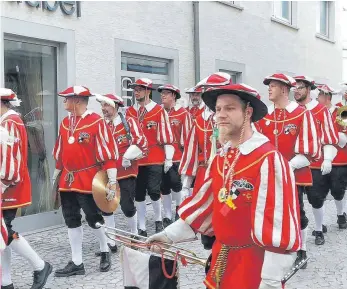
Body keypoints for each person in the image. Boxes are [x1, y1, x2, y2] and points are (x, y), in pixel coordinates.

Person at [147, 77, 301, 289]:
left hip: (255, 268)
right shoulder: (221, 157)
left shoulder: (269, 159)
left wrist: (271, 280)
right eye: (218, 109)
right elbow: (205, 207)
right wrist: (168, 236)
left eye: (229, 108)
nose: (220, 114)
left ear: (247, 113)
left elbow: (279, 225)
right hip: (222, 258)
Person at [255, 73, 321, 268]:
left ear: (284, 89)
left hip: (294, 174)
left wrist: (286, 167)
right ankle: (275, 247)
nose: (269, 89)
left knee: (297, 212)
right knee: (270, 212)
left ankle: (301, 250)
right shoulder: (265, 115)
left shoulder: (302, 113)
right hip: (268, 175)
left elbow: (310, 149)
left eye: (272, 86)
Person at [52, 86, 118, 276]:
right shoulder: (65, 122)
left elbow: (108, 155)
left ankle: (105, 249)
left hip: (89, 179)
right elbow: (60, 151)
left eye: (67, 98)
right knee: (71, 219)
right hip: (68, 179)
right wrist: (56, 175)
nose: (64, 101)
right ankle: (77, 262)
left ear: (78, 101)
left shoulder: (97, 122)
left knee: (93, 218)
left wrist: (111, 182)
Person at [1, 88, 52, 289]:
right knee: (4, 232)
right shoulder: (7, 122)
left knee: (5, 232)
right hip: (8, 185)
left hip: (8, 186)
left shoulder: (9, 123)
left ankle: (40, 266)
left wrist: (3, 183)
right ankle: (6, 282)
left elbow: (9, 160)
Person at [95, 93, 148, 248]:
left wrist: (129, 156)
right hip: (106, 172)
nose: (103, 109)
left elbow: (141, 141)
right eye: (102, 106)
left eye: (106, 105)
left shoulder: (129, 122)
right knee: (106, 205)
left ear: (116, 106)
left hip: (126, 171)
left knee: (126, 205)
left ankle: (134, 232)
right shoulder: (100, 124)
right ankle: (111, 239)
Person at [293, 77, 341, 245]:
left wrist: (327, 159)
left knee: (316, 198)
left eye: (300, 88)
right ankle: (299, 236)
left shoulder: (321, 110)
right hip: (294, 165)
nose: (296, 91)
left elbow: (329, 138)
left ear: (308, 89)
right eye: (295, 88)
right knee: (295, 202)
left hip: (314, 163)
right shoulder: (291, 110)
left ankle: (319, 229)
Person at [126, 78, 174, 236]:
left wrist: (168, 158)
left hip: (154, 157)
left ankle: (158, 220)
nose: (136, 92)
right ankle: (142, 227)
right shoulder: (130, 111)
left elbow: (167, 135)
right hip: (136, 159)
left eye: (139, 89)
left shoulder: (159, 111)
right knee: (138, 193)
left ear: (148, 91)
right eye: (135, 89)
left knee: (154, 191)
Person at [158, 84, 192, 226]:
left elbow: (188, 138)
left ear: (174, 96)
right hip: (160, 157)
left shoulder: (183, 114)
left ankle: (179, 208)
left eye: (166, 93)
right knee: (163, 186)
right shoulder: (158, 112)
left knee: (175, 184)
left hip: (177, 156)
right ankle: (166, 215)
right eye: (162, 93)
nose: (163, 95)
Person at [316, 84, 347, 230]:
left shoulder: (341, 112)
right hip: (319, 159)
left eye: (319, 95)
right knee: (318, 192)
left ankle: (341, 214)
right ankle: (320, 223)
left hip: (339, 159)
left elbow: (344, 137)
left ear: (326, 97)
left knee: (337, 190)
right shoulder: (314, 113)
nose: (317, 98)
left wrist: (330, 137)